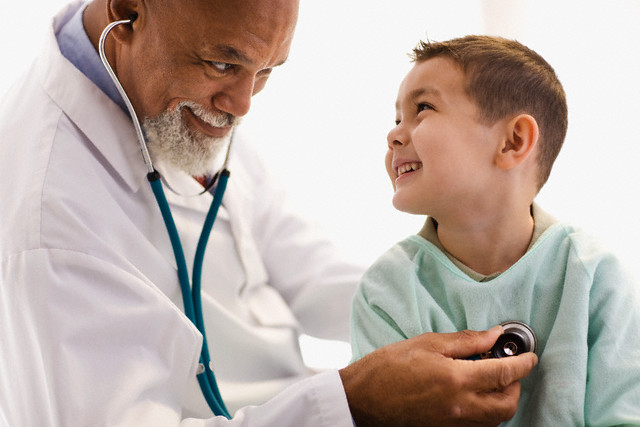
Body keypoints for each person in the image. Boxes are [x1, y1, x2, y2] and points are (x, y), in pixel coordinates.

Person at [0, 0, 537, 424]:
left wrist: (463, 292)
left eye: (266, 72)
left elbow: (301, 265)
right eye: (222, 63)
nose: (242, 105)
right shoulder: (51, 215)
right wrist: (355, 404)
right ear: (129, 11)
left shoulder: (173, 95)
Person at [350, 34, 640, 425]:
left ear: (513, 141)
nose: (394, 134)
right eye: (397, 118)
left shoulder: (594, 276)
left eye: (423, 108)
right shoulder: (385, 291)